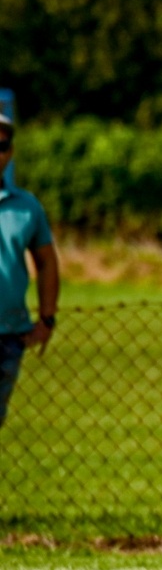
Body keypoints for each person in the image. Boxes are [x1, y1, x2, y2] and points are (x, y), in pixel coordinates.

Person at [0, 112, 58, 430]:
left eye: (3, 145)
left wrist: (47, 318)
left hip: (8, 336)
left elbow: (47, 262)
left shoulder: (27, 207)